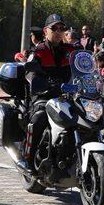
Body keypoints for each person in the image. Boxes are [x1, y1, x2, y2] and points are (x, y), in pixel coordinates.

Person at [23, 14, 78, 170]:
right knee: (39, 118)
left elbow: (85, 69)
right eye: (55, 28)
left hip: (67, 96)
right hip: (44, 96)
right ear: (46, 31)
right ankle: (29, 159)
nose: (59, 31)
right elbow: (30, 73)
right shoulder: (38, 51)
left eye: (62, 28)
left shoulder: (71, 51)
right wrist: (42, 83)